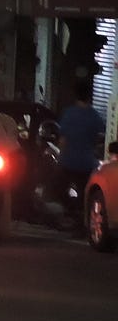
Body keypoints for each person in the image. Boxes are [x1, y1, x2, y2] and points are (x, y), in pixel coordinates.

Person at [53, 80, 104, 232]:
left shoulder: (69, 114)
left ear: (75, 95)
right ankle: (82, 220)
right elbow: (99, 139)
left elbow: (62, 140)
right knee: (86, 195)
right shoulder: (95, 116)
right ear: (90, 96)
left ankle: (70, 212)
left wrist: (60, 158)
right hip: (87, 163)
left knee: (57, 189)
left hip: (68, 162)